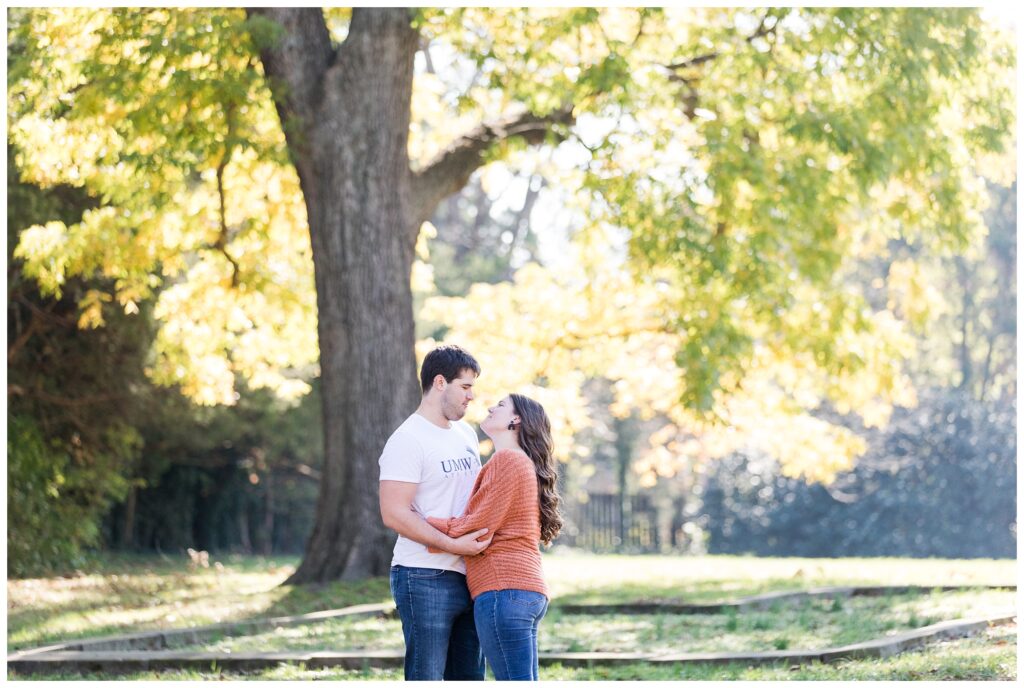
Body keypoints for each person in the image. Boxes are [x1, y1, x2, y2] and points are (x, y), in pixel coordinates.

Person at [426, 393, 563, 681]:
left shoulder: (508, 461)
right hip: (521, 591)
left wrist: (423, 523)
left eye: (501, 405)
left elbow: (477, 527)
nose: (490, 407)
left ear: (517, 419)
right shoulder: (518, 462)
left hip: (504, 589)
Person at [378, 345, 493, 681]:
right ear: (440, 382)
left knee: (470, 677)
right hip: (423, 576)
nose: (471, 397)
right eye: (465, 387)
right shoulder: (407, 440)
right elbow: (394, 513)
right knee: (426, 676)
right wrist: (453, 545)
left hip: (471, 574)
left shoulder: (466, 434)